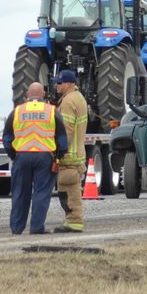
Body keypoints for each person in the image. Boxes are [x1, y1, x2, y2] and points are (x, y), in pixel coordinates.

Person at [2, 82, 67, 235]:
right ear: (43, 94)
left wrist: (13, 154)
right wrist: (60, 155)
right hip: (45, 157)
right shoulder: (52, 111)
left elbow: (6, 137)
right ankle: (36, 228)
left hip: (22, 156)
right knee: (41, 193)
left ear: (27, 94)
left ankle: (17, 228)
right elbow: (62, 138)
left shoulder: (17, 112)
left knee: (19, 193)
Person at [51, 70, 89, 233]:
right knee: (72, 189)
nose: (56, 86)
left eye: (59, 83)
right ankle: (73, 220)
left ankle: (73, 221)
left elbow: (65, 131)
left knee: (68, 190)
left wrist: (57, 151)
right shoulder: (78, 98)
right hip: (77, 153)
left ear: (68, 84)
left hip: (69, 156)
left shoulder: (67, 102)